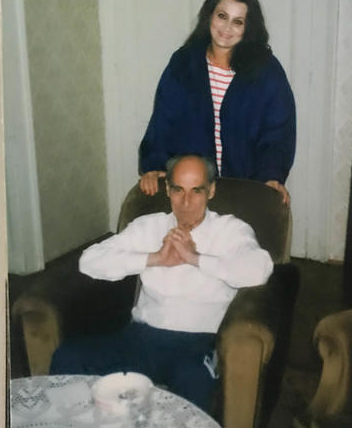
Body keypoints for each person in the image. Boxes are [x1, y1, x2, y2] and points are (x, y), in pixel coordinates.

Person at [50, 154, 273, 413]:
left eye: (196, 191)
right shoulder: (149, 225)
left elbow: (259, 269)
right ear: (167, 189)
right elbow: (90, 261)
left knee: (193, 385)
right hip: (140, 337)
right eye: (178, 190)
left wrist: (195, 258)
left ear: (211, 191)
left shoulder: (230, 230)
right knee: (67, 357)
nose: (186, 202)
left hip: (198, 343)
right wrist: (155, 258)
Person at [138, 0, 296, 204]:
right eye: (222, 16)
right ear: (210, 15)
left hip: (245, 186)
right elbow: (163, 120)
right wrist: (154, 165)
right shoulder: (183, 63)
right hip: (191, 187)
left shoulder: (267, 71)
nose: (227, 28)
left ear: (248, 28)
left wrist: (271, 176)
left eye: (238, 22)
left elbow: (278, 131)